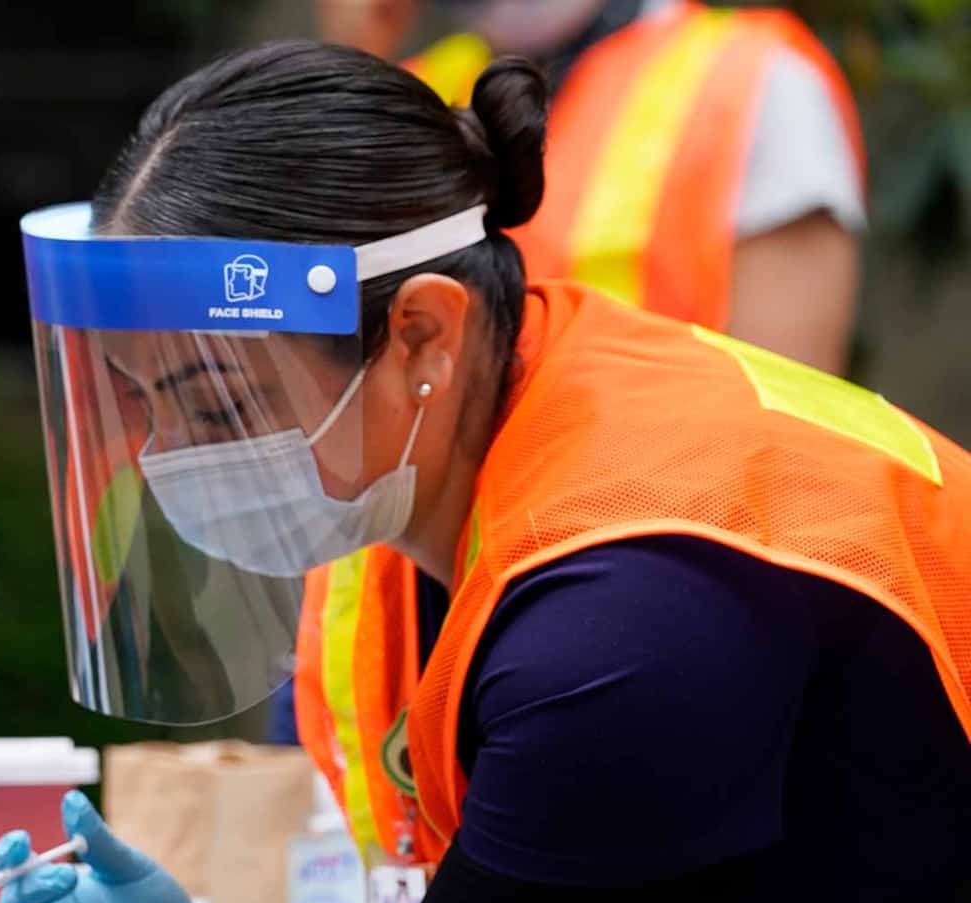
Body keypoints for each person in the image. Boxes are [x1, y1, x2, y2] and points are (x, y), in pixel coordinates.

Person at [0, 43, 971, 903]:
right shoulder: (438, 490)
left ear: (424, 337)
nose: (163, 460)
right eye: (139, 403)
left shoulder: (631, 616)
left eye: (216, 401)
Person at [280, 0, 866, 781]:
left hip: (649, 619)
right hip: (421, 611)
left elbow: (796, 426)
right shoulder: (431, 81)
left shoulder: (752, 82)